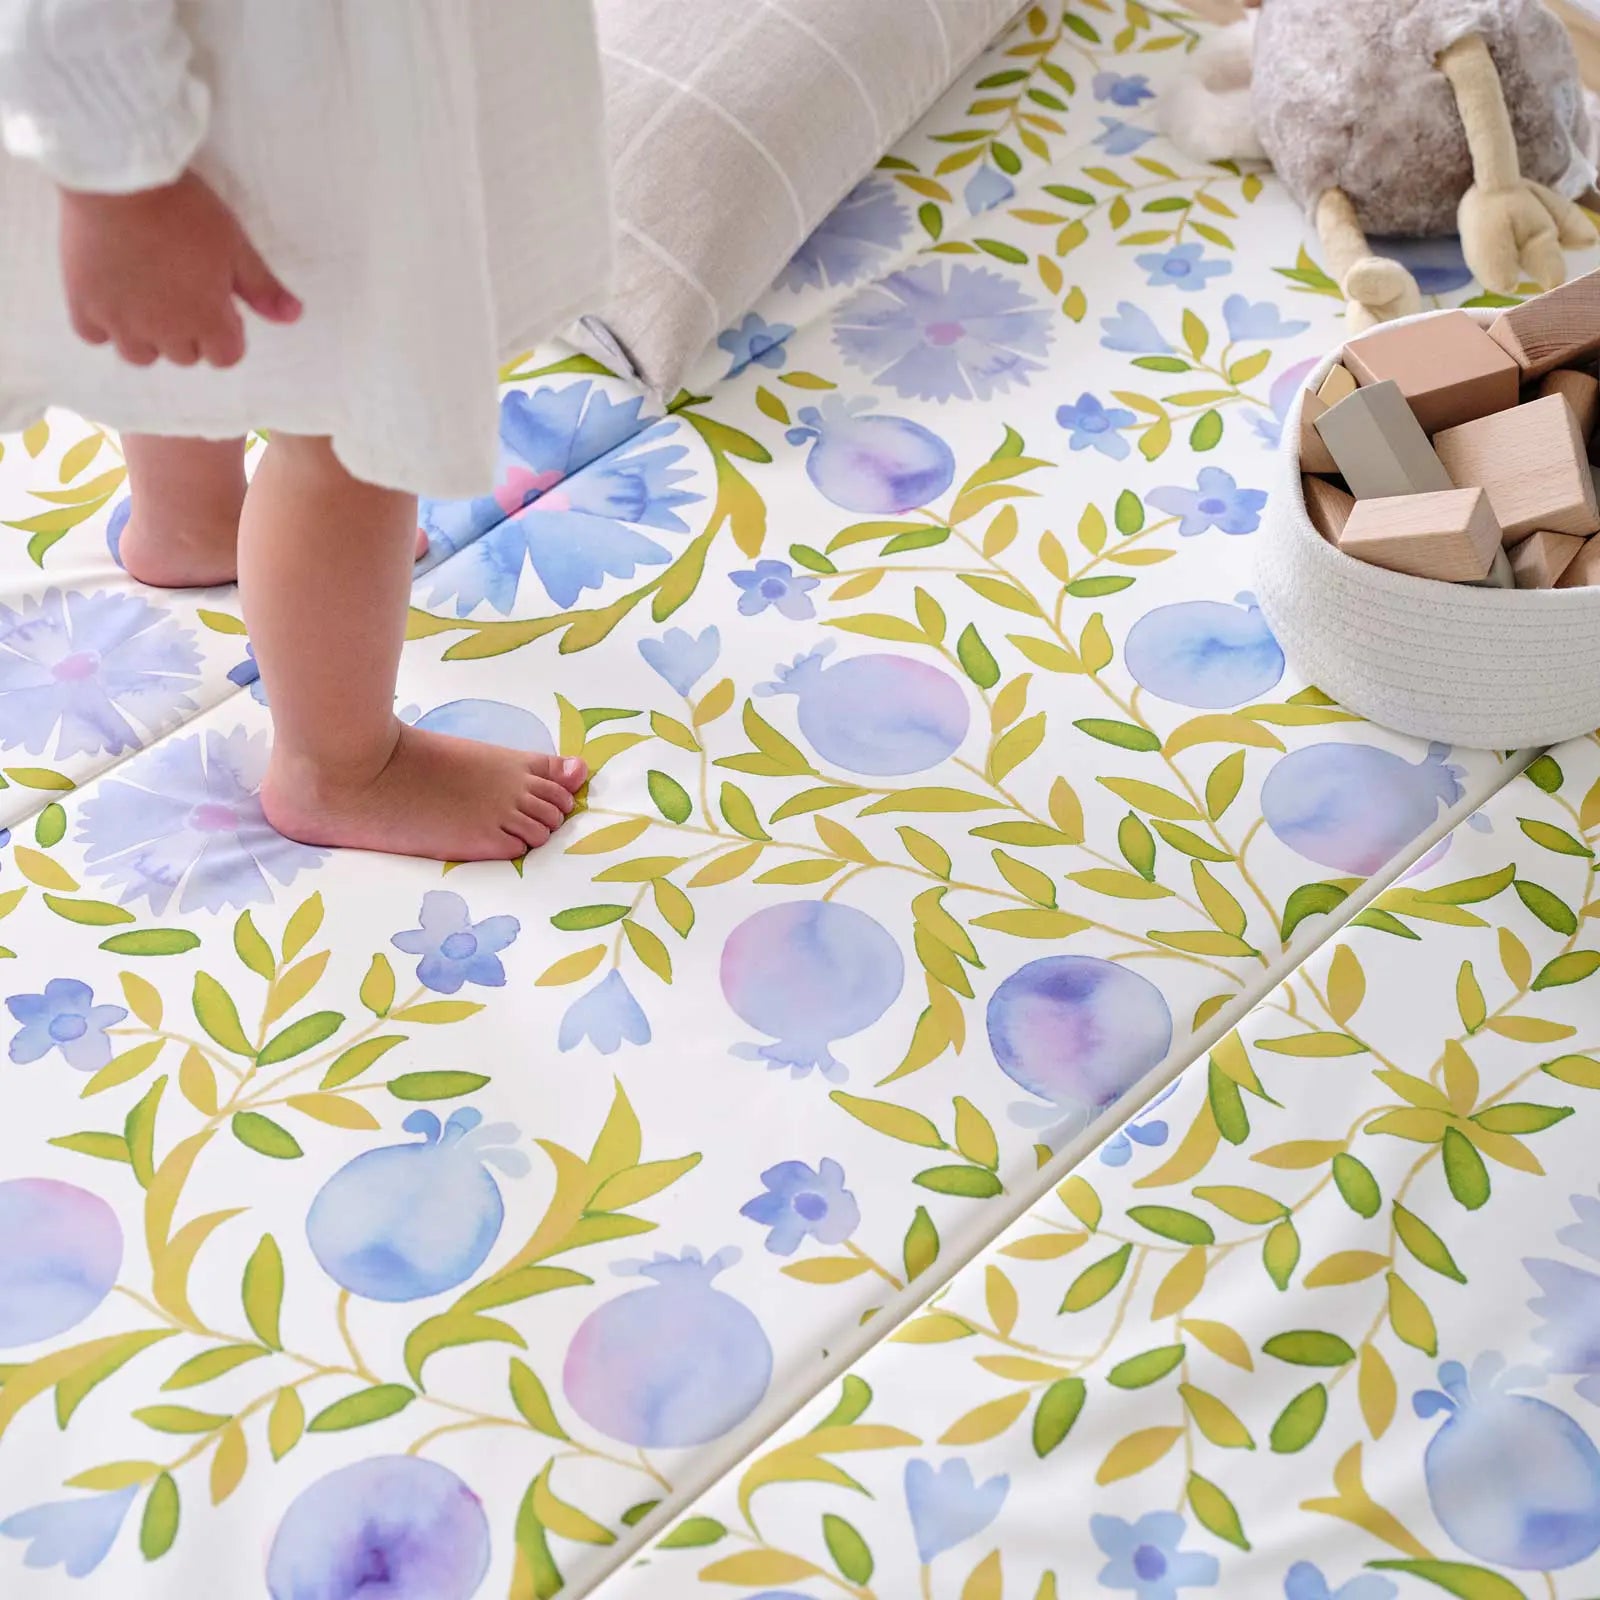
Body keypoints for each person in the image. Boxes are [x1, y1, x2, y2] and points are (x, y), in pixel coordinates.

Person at [0, 0, 613, 860]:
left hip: (215, 89)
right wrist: (121, 175)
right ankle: (342, 768)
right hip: (271, 100)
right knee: (349, 415)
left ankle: (189, 523)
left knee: (194, 303)